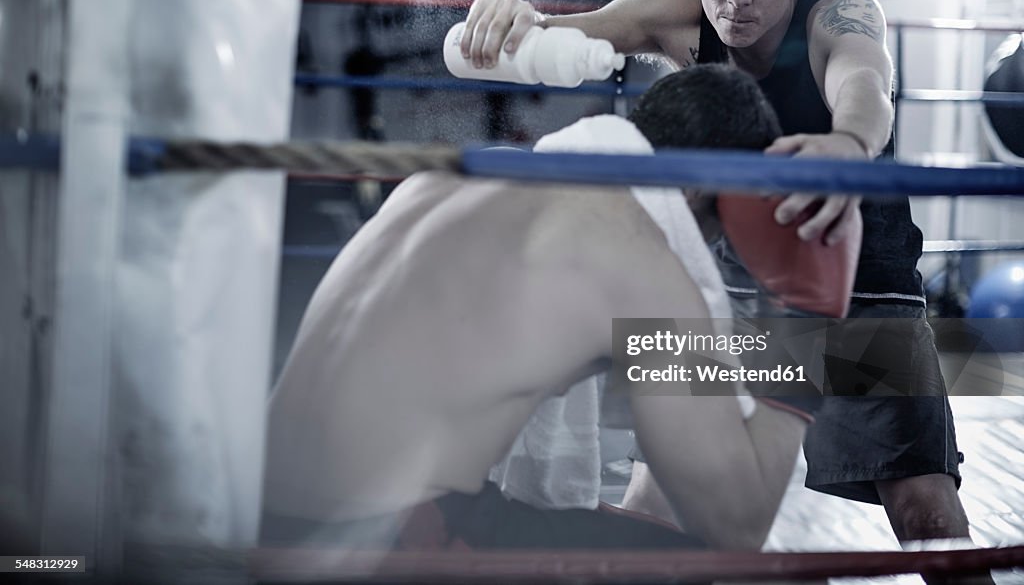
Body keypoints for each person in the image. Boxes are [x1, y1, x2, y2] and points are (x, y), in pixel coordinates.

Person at [459, 0, 984, 578]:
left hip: (856, 301)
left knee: (927, 515)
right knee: (656, 508)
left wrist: (847, 143)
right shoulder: (669, 15)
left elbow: (865, 83)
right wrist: (513, 17)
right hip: (726, 303)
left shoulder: (839, 16)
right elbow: (550, 36)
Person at [261, 66, 816, 556]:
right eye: (718, 234)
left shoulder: (465, 173)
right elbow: (737, 527)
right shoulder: (633, 252)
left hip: (262, 509)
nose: (709, 253)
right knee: (716, 571)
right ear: (702, 193)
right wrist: (805, 317)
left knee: (623, 524)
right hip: (376, 542)